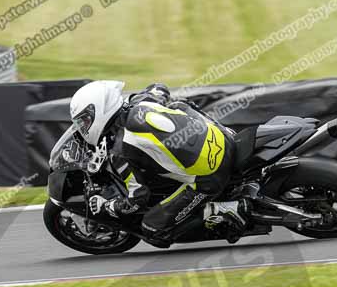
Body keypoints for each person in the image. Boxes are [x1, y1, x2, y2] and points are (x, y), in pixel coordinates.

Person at [71, 80, 246, 246]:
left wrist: (107, 205)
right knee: (179, 105)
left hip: (210, 176)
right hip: (224, 138)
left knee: (152, 228)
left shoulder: (120, 151)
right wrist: (136, 97)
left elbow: (138, 199)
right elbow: (159, 88)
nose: (83, 127)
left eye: (85, 121)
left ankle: (223, 210)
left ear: (101, 111)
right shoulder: (142, 102)